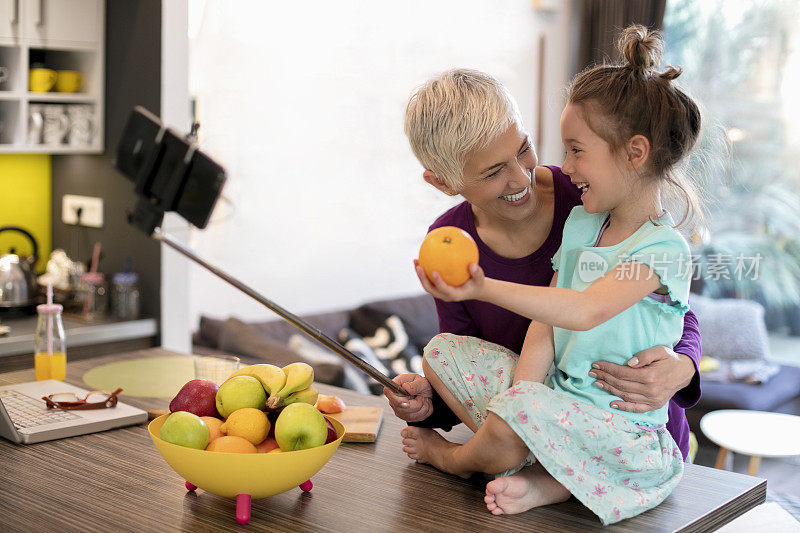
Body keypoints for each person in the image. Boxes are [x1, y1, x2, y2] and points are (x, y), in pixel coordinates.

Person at [385, 26, 703, 524]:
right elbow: (525, 335)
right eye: (493, 171)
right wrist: (435, 405)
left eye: (525, 149)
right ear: (444, 182)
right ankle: (534, 464)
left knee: (521, 417)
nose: (522, 176)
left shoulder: (591, 196)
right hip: (544, 407)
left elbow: (653, 312)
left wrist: (684, 365)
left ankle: (468, 461)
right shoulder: (468, 238)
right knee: (438, 354)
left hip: (627, 422)